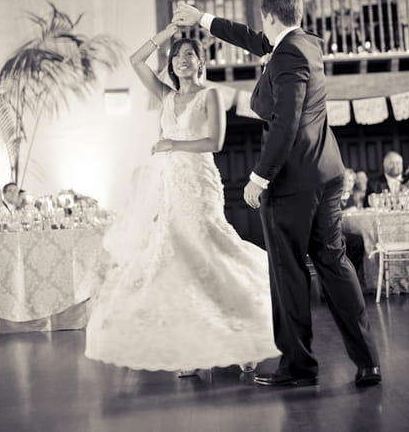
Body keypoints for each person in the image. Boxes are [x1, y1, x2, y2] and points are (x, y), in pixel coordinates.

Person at [173, 0, 381, 388]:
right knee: (334, 264)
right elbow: (254, 41)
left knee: (287, 272)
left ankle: (299, 368)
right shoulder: (308, 44)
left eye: (262, 24)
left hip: (291, 180)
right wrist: (202, 19)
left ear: (268, 17)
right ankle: (368, 361)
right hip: (327, 171)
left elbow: (285, 123)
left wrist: (257, 178)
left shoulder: (285, 55)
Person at [85, 23, 279, 374]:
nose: (183, 60)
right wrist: (169, 31)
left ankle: (243, 338)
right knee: (176, 262)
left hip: (200, 184)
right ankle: (190, 350)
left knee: (208, 251)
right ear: (171, 64)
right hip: (171, 185)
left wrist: (172, 144)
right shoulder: (166, 96)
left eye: (190, 54)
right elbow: (136, 59)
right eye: (177, 56)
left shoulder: (211, 96)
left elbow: (215, 143)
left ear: (201, 62)